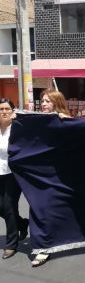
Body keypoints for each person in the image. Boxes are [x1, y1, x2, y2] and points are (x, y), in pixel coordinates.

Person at [32, 90, 72, 266]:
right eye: (42, 100)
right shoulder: (38, 119)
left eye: (47, 101)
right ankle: (42, 247)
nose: (43, 103)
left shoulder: (65, 120)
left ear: (56, 102)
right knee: (39, 207)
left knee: (62, 208)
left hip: (61, 172)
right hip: (41, 171)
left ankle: (62, 239)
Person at [0, 99, 28, 260]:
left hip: (13, 174)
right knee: (1, 207)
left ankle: (11, 244)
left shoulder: (17, 128)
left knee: (9, 207)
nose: (3, 111)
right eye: (1, 109)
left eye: (7, 109)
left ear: (12, 110)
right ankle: (22, 224)